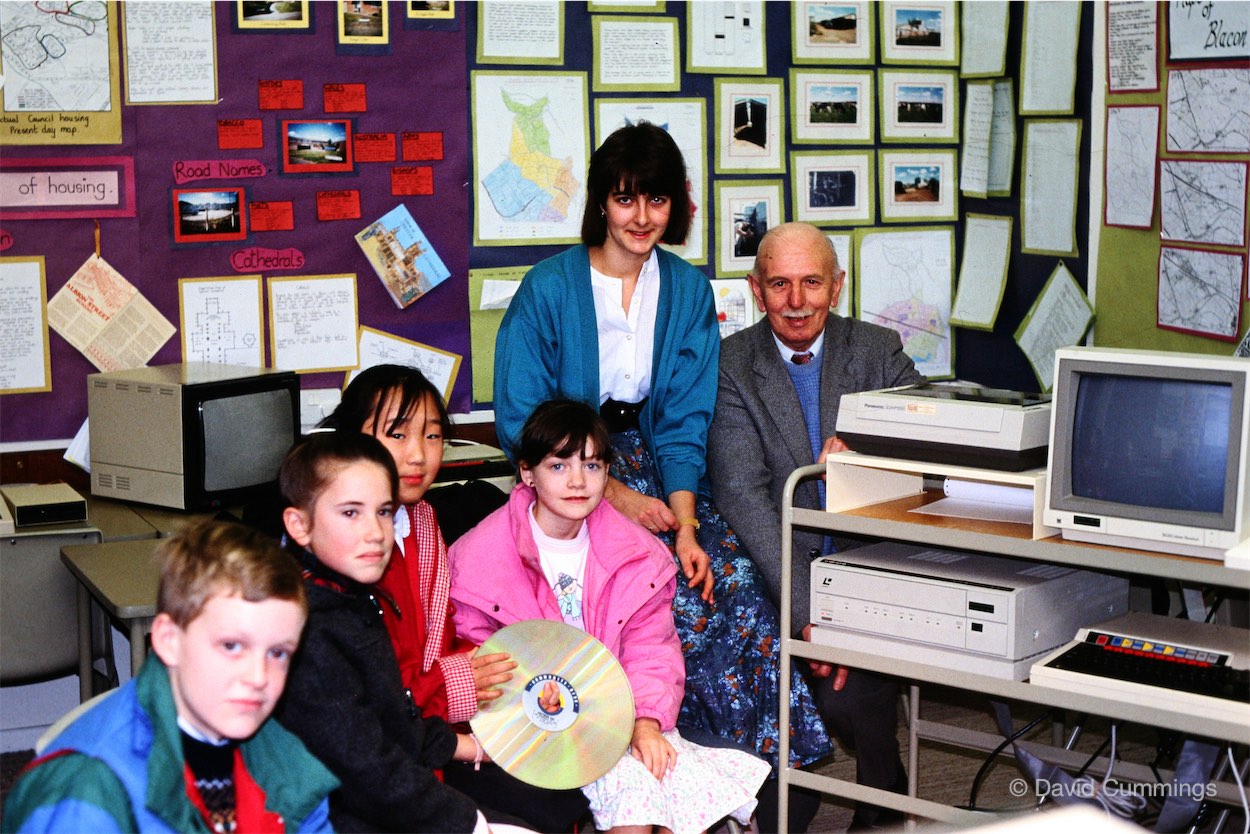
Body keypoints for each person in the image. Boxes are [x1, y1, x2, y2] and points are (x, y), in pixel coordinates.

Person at [492, 122, 834, 795]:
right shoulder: (548, 289)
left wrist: (684, 525)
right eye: (625, 199)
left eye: (656, 199)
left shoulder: (685, 290)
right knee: (665, 601)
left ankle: (765, 778)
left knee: (733, 582)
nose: (642, 217)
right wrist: (613, 494)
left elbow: (684, 420)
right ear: (601, 203)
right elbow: (522, 418)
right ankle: (685, 775)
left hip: (663, 470)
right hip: (567, 475)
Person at [450, 399, 771, 834]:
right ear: (527, 473)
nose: (577, 481)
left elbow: (651, 649)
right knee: (635, 792)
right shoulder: (477, 557)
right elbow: (477, 658)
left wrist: (645, 722)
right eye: (558, 466)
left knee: (665, 779)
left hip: (619, 712)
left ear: (607, 473)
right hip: (529, 723)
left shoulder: (637, 553)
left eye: (592, 466)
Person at [707, 221, 925, 832]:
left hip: (870, 564)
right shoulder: (730, 364)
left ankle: (881, 799)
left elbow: (927, 446)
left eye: (812, 283)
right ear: (756, 290)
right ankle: (794, 802)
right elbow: (743, 496)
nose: (797, 302)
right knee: (806, 696)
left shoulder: (879, 350)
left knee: (851, 698)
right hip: (778, 572)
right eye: (779, 285)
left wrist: (870, 450)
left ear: (838, 285)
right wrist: (810, 615)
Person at [321, 363, 588, 832]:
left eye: (432, 436)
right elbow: (379, 692)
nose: (418, 455)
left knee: (561, 798)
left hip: (431, 725)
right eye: (397, 435)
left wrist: (514, 676)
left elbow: (440, 640)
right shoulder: (344, 547)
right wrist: (460, 688)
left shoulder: (422, 521)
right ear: (351, 439)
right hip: (374, 761)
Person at [2, 520, 337, 834]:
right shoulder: (86, 790)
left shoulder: (281, 759)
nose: (258, 676)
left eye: (278, 653)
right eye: (232, 646)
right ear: (168, 640)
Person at [273, 431, 499, 834]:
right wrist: (466, 822)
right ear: (299, 525)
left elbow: (393, 716)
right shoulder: (309, 633)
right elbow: (366, 769)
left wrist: (468, 748)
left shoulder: (356, 599)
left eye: (383, 512)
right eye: (350, 513)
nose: (376, 532)